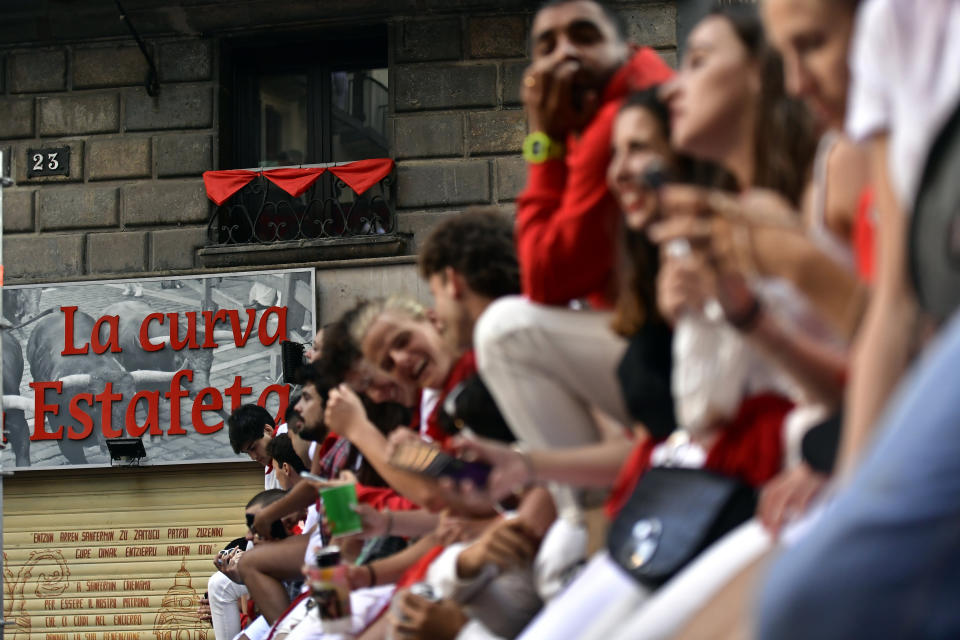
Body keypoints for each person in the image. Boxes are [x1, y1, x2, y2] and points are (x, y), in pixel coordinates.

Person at [475, 0, 674, 461]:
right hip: (662, 338)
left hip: (672, 349)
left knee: (505, 333)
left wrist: (543, 138)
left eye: (584, 37)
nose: (566, 54)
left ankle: (585, 506)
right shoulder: (627, 96)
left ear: (623, 47)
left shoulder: (614, 123)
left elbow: (546, 279)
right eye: (548, 46)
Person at [229, 403, 285, 490]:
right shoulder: (269, 471)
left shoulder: (291, 436)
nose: (253, 457)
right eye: (248, 453)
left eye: (253, 448)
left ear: (268, 430)